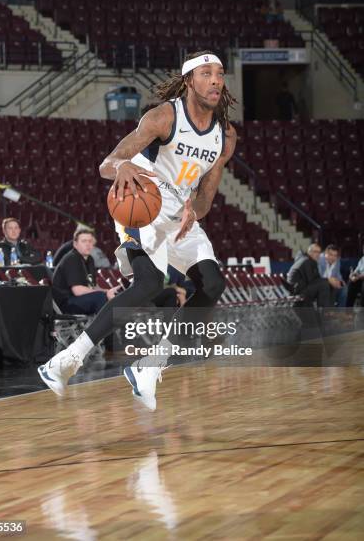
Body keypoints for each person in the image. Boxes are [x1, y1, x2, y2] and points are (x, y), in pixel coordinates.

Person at [38, 49, 237, 410]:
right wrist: (122, 168)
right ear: (189, 80)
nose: (215, 80)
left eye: (220, 73)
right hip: (143, 205)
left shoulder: (226, 137)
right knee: (148, 283)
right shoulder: (164, 117)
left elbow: (206, 201)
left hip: (179, 213)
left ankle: (149, 367)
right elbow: (107, 164)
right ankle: (66, 361)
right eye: (206, 73)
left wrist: (197, 208)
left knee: (212, 284)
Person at [53, 226, 119, 314]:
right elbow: (78, 291)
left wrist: (107, 291)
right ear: (75, 244)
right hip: (66, 303)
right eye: (84, 241)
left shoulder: (90, 259)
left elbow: (92, 286)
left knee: (113, 295)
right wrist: (104, 294)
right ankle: (104, 327)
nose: (88, 244)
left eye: (90, 241)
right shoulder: (72, 258)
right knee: (100, 297)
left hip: (78, 299)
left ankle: (121, 324)